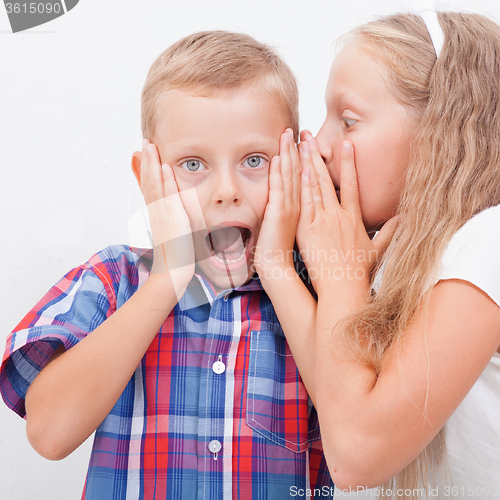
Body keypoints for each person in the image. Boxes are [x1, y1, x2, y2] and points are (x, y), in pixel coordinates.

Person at [0, 31, 332, 499]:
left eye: (254, 160)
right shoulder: (113, 279)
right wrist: (167, 279)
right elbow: (50, 434)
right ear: (147, 177)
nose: (226, 190)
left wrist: (277, 270)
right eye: (193, 164)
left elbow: (358, 433)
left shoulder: (319, 291)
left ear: (294, 166)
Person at [258, 11, 500, 499]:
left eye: (347, 120)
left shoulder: (489, 241)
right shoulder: (399, 260)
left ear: (440, 127)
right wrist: (278, 267)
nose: (319, 145)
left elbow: (355, 455)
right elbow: (339, 398)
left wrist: (339, 273)